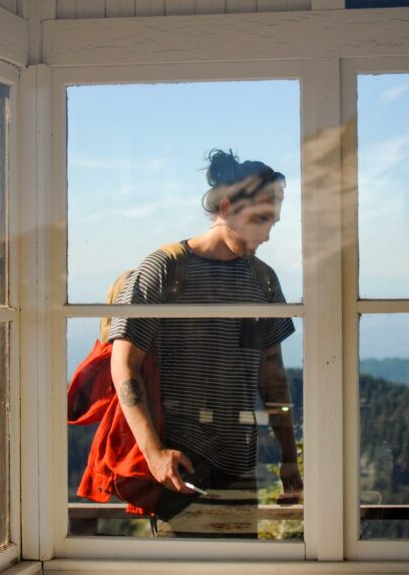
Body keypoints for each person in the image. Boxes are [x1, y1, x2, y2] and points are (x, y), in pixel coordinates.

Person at [107, 149, 302, 538]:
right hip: (180, 465)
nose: (266, 233)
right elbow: (123, 363)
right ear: (227, 207)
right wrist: (154, 454)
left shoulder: (262, 280)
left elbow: (272, 377)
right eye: (260, 219)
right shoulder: (165, 268)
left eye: (273, 222)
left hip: (240, 465)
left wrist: (287, 460)